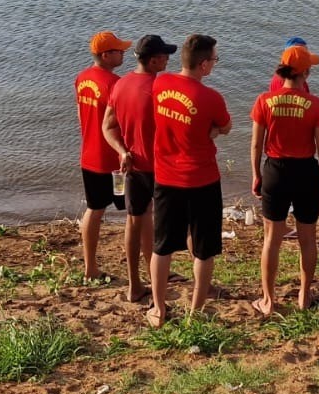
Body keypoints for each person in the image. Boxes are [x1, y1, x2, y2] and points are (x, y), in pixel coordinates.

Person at [147, 34, 231, 327]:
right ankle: (196, 312)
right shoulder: (210, 98)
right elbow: (226, 125)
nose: (214, 64)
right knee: (204, 248)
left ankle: (158, 308)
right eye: (214, 60)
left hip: (166, 177)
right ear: (204, 65)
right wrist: (215, 131)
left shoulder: (159, 83)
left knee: (163, 246)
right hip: (202, 179)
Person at [249, 44, 319, 316]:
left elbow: (256, 145)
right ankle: (304, 294)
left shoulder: (264, 100)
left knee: (272, 239)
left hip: (275, 170)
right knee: (308, 238)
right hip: (306, 171)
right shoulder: (316, 104)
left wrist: (256, 175)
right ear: (305, 73)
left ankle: (268, 300)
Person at [102, 34, 178, 304]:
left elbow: (107, 126)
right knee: (170, 228)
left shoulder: (120, 85)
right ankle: (162, 281)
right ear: (154, 60)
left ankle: (135, 284)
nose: (169, 59)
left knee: (135, 223)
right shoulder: (160, 89)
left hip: (133, 167)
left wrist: (122, 151)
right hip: (161, 169)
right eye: (165, 56)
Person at [75, 30, 134, 281]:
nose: (123, 53)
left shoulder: (82, 78)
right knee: (136, 212)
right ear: (106, 55)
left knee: (94, 209)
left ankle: (90, 268)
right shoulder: (115, 84)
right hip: (114, 160)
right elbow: (122, 124)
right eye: (119, 50)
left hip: (89, 155)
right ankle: (149, 266)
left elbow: (81, 116)